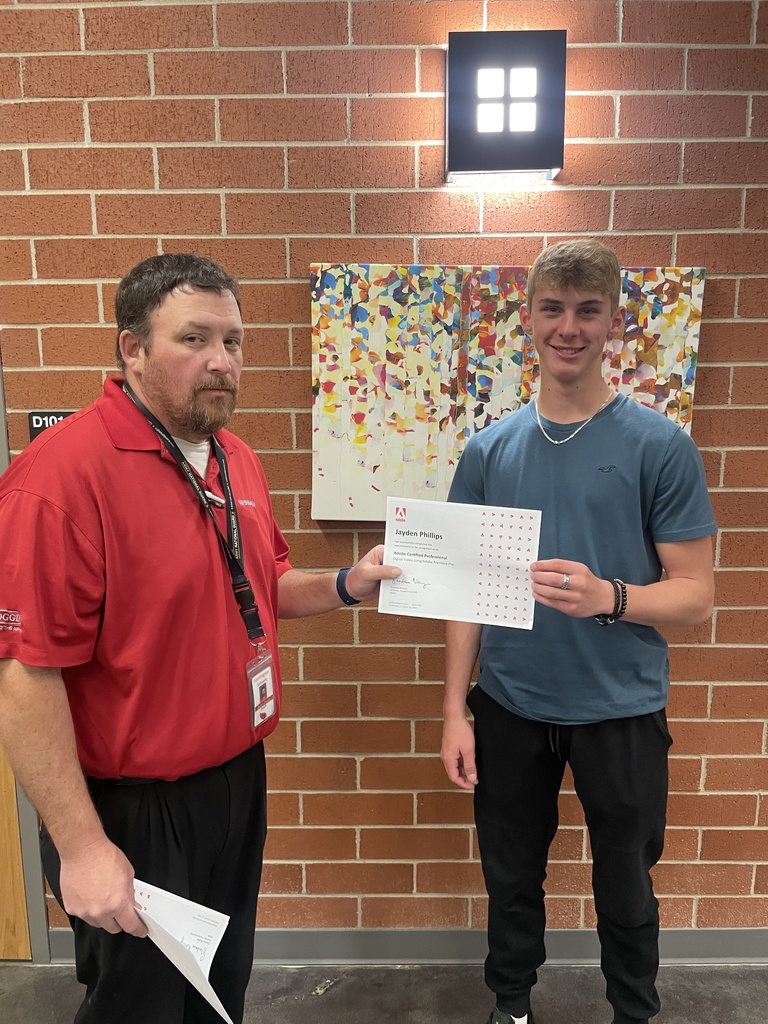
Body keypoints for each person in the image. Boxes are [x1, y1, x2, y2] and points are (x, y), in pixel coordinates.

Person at [0, 253, 400, 1024]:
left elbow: (260, 585)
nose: (222, 362)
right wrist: (81, 847)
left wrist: (350, 583)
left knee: (219, 992)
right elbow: (27, 676)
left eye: (234, 341)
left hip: (235, 785)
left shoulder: (234, 459)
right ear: (133, 349)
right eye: (194, 339)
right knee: (138, 1008)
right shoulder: (62, 479)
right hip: (132, 810)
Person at [441, 240, 716, 1024]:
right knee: (512, 876)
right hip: (511, 705)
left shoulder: (659, 446)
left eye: (588, 310)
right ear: (527, 320)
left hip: (621, 710)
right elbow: (467, 589)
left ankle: (635, 1010)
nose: (570, 327)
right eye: (554, 309)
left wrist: (610, 597)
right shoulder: (490, 449)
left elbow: (696, 596)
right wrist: (455, 710)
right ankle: (511, 1006)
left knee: (625, 881)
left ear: (613, 323)